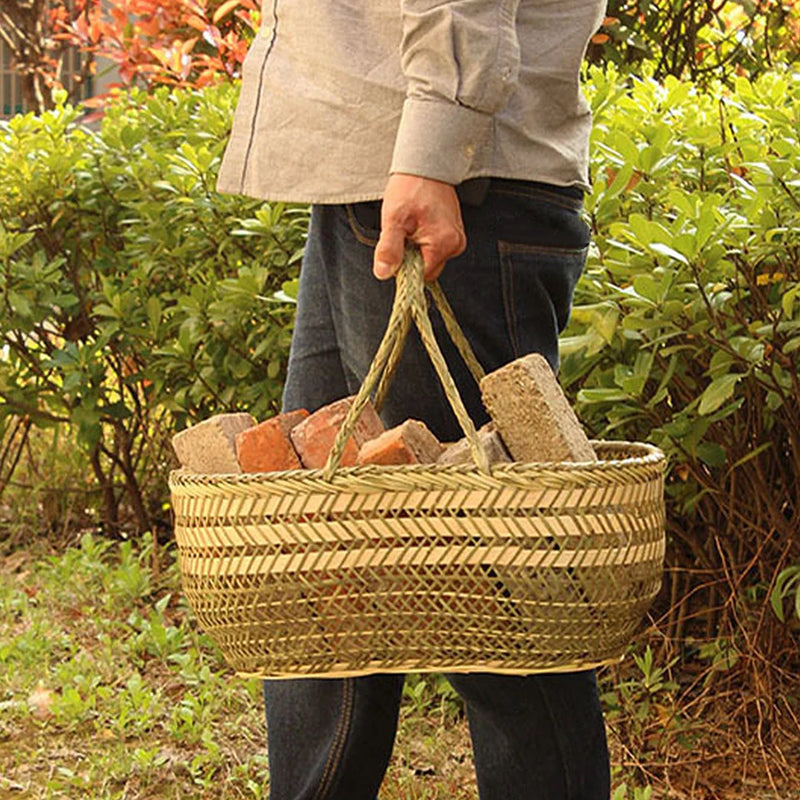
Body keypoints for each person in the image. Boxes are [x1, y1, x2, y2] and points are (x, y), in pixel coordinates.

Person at [216, 2, 610, 798]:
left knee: (495, 603)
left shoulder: (437, 163)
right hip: (380, 175)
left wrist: (434, 145)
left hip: (450, 182)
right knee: (320, 580)